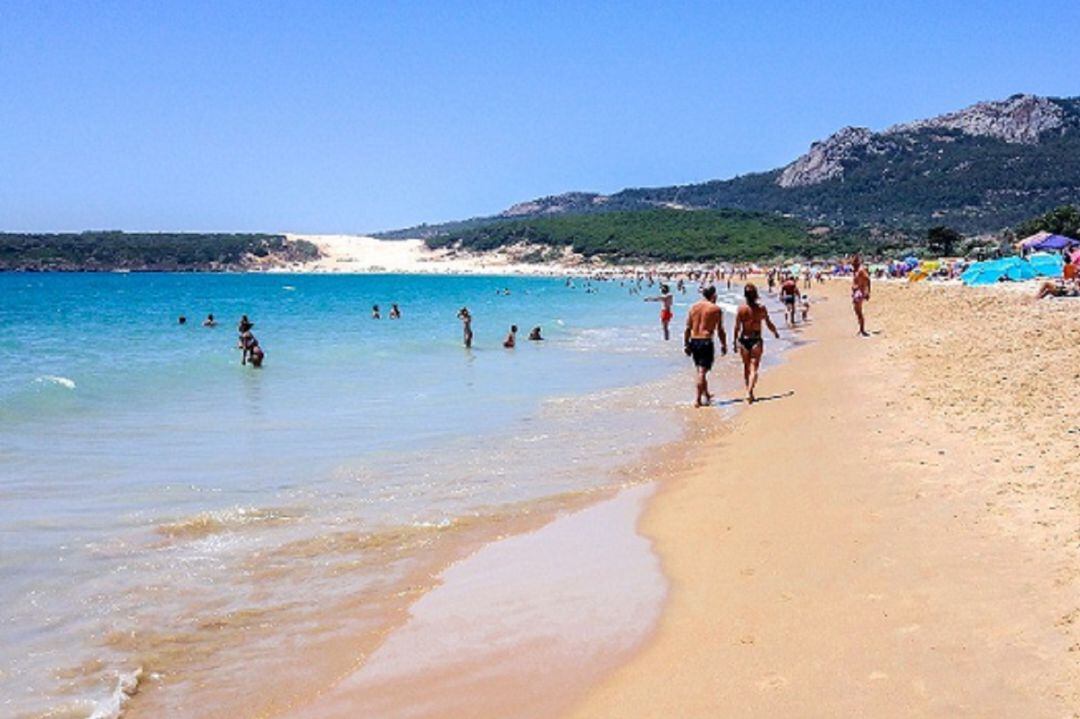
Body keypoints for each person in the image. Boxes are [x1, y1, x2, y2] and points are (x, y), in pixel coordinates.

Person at [732, 283, 779, 404]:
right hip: (756, 339)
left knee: (746, 367)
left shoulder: (741, 309)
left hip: (744, 339)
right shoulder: (761, 308)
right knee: (754, 368)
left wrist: (734, 341)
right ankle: (749, 392)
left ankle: (749, 391)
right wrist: (775, 332)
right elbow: (768, 323)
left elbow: (737, 327)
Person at [683, 285, 727, 408]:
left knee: (700, 370)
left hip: (694, 340)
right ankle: (697, 400)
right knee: (702, 372)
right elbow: (720, 330)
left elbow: (687, 328)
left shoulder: (694, 307)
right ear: (713, 295)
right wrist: (724, 344)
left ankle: (706, 395)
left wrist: (686, 344)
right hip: (706, 341)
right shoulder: (715, 309)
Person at [851, 255, 871, 336]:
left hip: (859, 292)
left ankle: (862, 330)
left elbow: (868, 280)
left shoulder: (861, 270)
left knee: (858, 311)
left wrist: (868, 292)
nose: (852, 264)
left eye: (854, 262)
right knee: (857, 310)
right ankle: (861, 328)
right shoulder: (855, 271)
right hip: (856, 292)